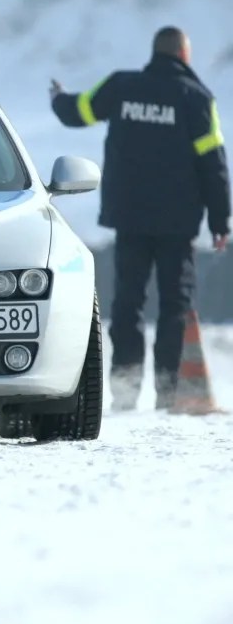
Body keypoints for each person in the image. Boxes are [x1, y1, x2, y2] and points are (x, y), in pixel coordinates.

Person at [50, 26, 230, 410]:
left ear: (155, 53)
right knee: (174, 306)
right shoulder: (197, 100)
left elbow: (78, 111)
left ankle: (125, 389)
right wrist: (220, 221)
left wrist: (58, 98)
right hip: (176, 224)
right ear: (184, 56)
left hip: (129, 218)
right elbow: (213, 165)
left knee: (128, 304)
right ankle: (167, 390)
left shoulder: (122, 87)